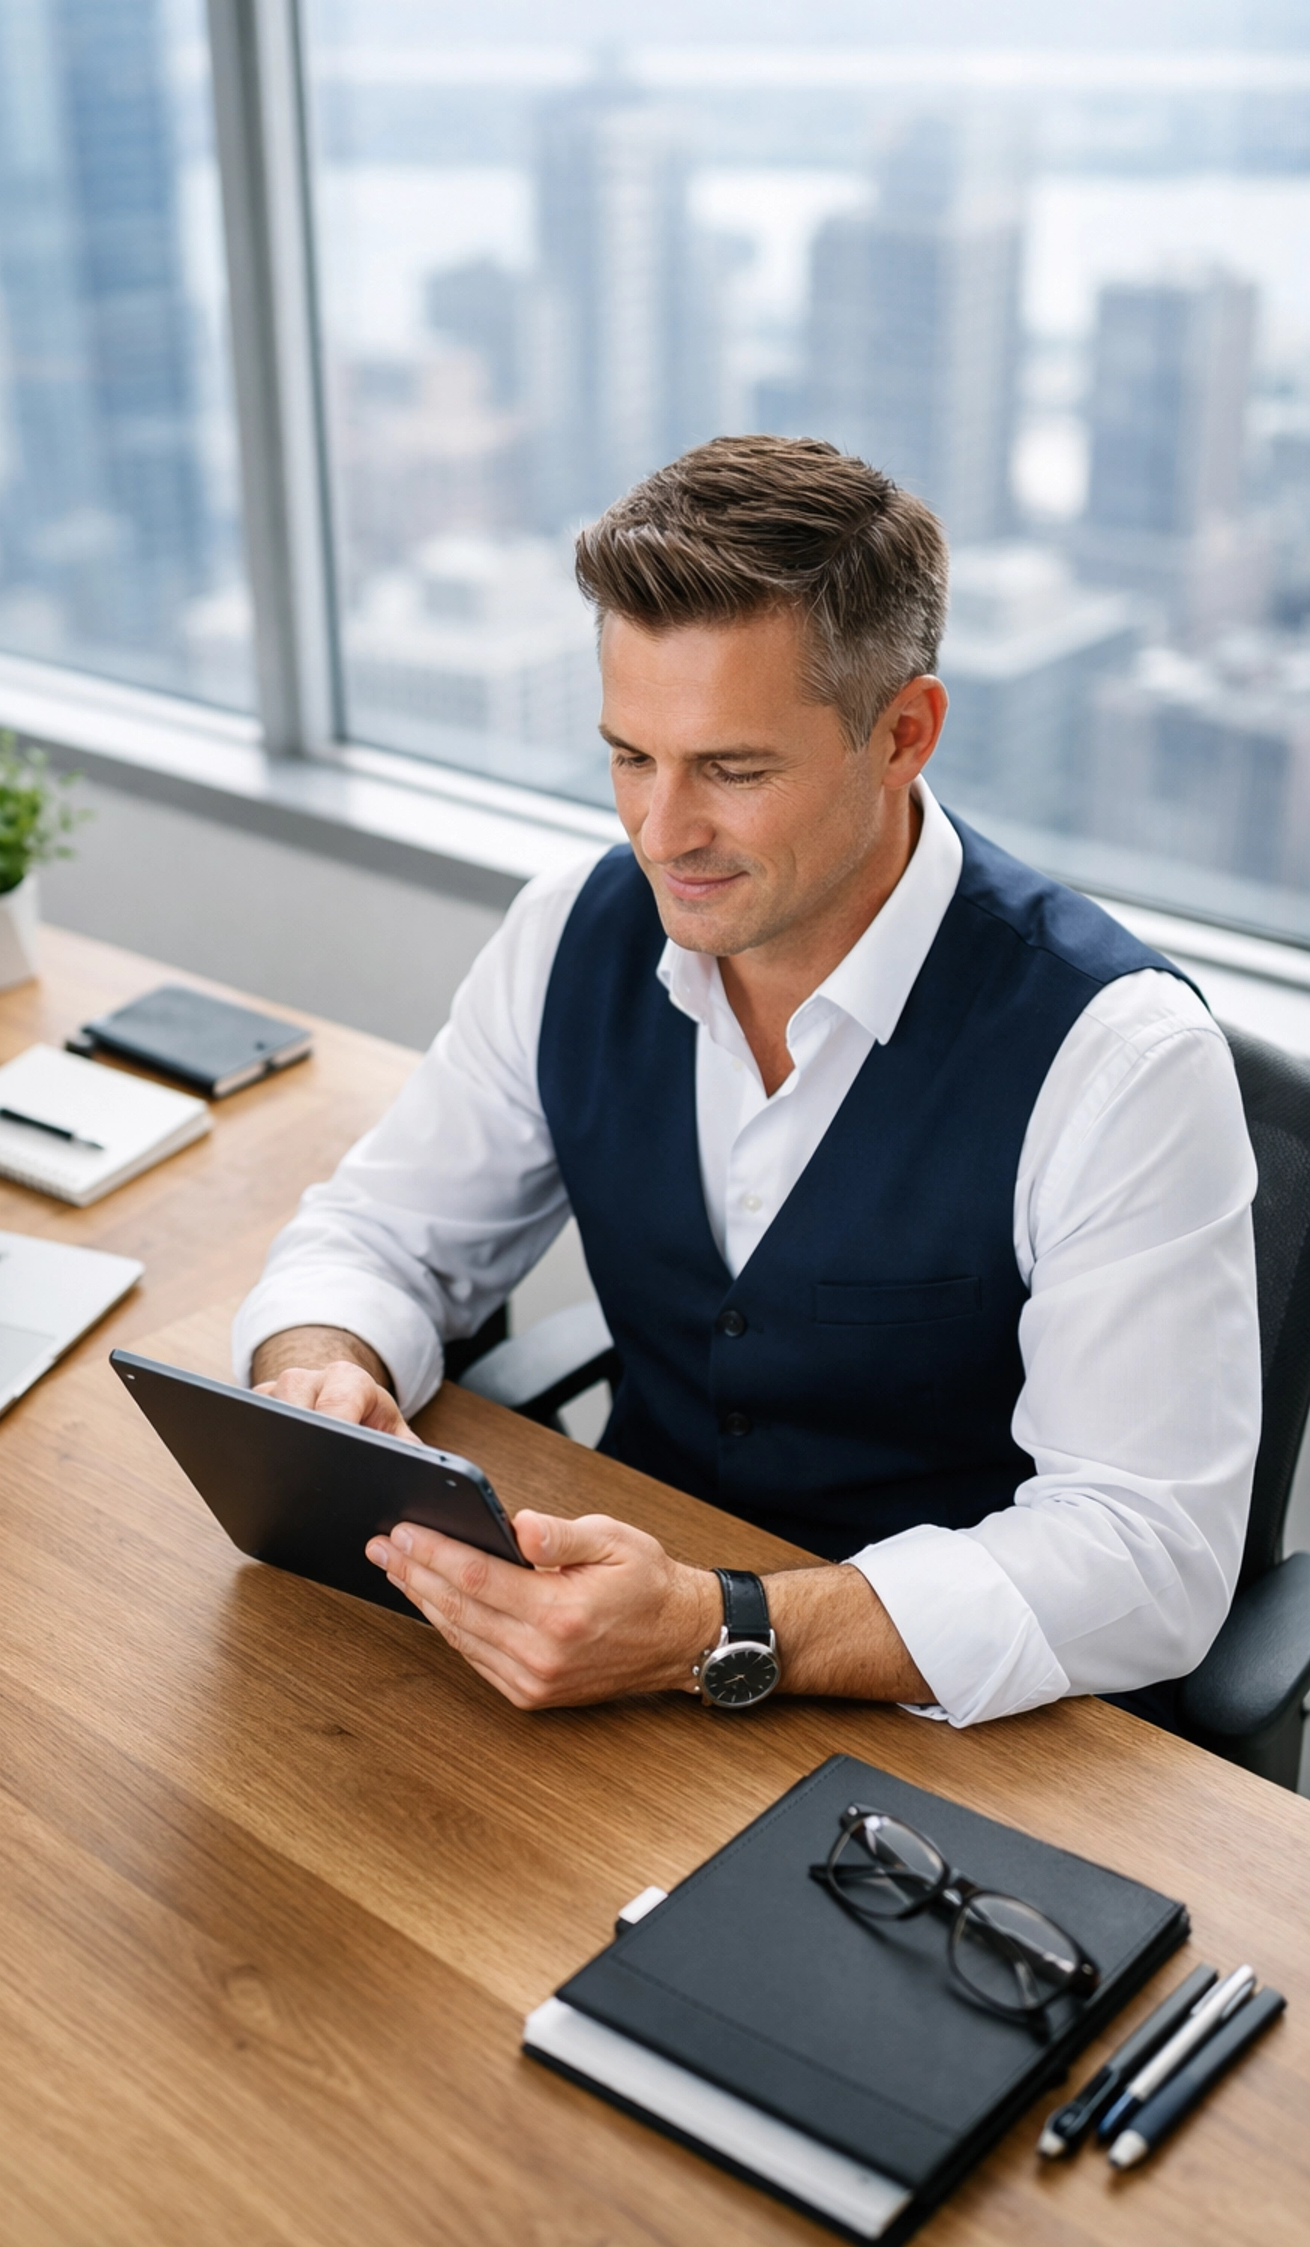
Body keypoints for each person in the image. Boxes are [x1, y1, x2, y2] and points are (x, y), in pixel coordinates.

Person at [233, 437, 1259, 1729]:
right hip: (614, 1667)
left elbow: (1145, 1558)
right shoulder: (568, 931)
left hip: (965, 1735)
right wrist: (318, 1364)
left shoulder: (1123, 1062)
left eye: (733, 769)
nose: (663, 836)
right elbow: (380, 1233)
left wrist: (718, 1626)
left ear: (904, 734)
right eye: (629, 757)